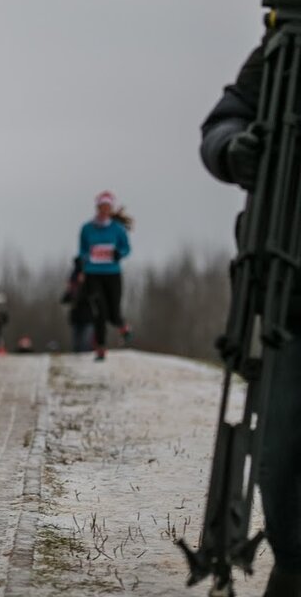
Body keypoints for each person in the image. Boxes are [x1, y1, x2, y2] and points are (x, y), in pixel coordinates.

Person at [201, 43, 301, 596]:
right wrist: (233, 149)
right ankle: (293, 567)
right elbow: (227, 119)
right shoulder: (288, 45)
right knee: (282, 448)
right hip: (291, 284)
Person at [77, 191, 131, 361]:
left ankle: (122, 325)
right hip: (93, 274)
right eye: (102, 207)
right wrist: (84, 260)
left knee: (113, 312)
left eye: (107, 207)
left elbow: (126, 248)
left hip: (112, 274)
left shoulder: (118, 229)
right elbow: (82, 250)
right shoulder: (87, 228)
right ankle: (100, 347)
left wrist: (118, 253)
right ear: (98, 208)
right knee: (99, 311)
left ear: (111, 209)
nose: (104, 210)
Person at [61, 256, 94, 353]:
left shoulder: (91, 279)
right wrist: (70, 292)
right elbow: (65, 299)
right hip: (76, 317)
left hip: (88, 316)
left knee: (85, 343)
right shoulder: (73, 280)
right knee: (77, 344)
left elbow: (93, 296)